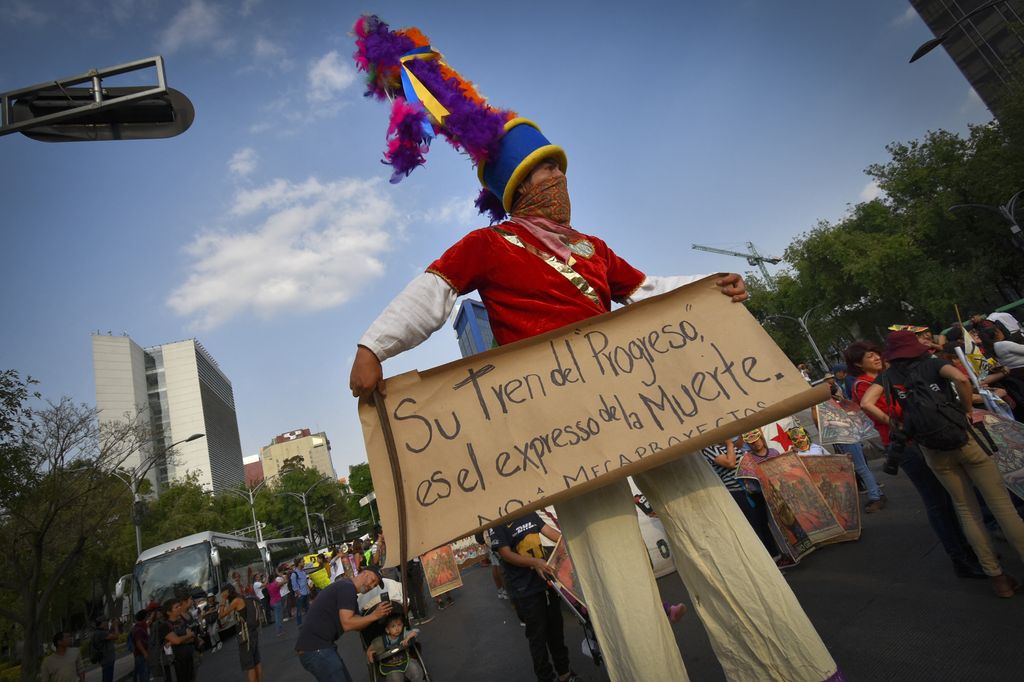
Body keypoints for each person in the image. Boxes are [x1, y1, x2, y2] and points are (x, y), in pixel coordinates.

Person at [350, 15, 840, 682]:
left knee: (708, 516)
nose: (557, 183)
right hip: (564, 428)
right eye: (541, 175)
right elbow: (435, 291)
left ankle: (787, 668)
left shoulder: (594, 249)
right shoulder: (487, 246)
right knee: (610, 560)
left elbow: (647, 291)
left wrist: (709, 285)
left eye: (559, 171)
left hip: (644, 404)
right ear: (515, 192)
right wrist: (375, 345)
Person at [860, 331, 1024, 598]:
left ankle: (998, 578)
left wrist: (898, 426)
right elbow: (960, 378)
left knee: (966, 511)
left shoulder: (888, 377)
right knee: (1003, 507)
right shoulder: (933, 363)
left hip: (931, 448)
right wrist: (966, 410)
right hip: (963, 438)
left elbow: (867, 402)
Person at [849, 340, 986, 580]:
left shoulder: (890, 375)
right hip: (905, 444)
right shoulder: (864, 385)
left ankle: (973, 551)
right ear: (857, 363)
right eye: (868, 356)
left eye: (876, 353)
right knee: (937, 501)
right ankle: (960, 558)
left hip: (923, 437)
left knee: (952, 496)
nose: (875, 358)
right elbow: (886, 409)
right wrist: (911, 413)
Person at [490, 511, 580, 682]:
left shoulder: (528, 513)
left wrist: (564, 543)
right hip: (524, 590)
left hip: (546, 583)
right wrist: (534, 562)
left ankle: (565, 674)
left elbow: (552, 534)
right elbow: (506, 554)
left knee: (556, 631)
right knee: (538, 638)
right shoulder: (497, 523)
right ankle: (545, 678)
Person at [294, 565, 392, 682]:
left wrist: (376, 615)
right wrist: (374, 615)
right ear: (365, 573)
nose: (371, 586)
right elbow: (347, 623)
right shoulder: (347, 588)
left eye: (375, 585)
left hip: (319, 648)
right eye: (372, 580)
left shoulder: (347, 588)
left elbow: (356, 625)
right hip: (317, 649)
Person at [220, 585, 263, 682]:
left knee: (250, 666)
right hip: (253, 632)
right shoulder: (241, 597)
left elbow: (221, 615)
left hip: (245, 636)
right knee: (257, 662)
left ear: (227, 592)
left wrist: (222, 601)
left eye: (223, 594)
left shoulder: (236, 601)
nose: (222, 595)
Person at [366, 612, 424, 682]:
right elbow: (371, 647)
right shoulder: (382, 640)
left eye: (399, 625)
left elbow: (416, 631)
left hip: (405, 661)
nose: (397, 629)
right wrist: (369, 652)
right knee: (395, 678)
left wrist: (407, 638)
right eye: (393, 626)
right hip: (390, 666)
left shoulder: (404, 634)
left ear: (402, 625)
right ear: (387, 630)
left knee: (415, 670)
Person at [130, 609, 150, 682]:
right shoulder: (138, 629)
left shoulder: (141, 626)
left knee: (141, 672)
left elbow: (148, 622)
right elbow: (138, 642)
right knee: (144, 673)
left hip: (140, 654)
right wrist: (145, 653)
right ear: (144, 617)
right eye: (147, 616)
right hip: (140, 654)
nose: (148, 618)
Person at [290, 558, 311, 625]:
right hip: (301, 595)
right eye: (303, 562)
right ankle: (300, 624)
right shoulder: (294, 574)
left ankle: (309, 622)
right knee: (299, 611)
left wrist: (308, 590)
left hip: (306, 593)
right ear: (299, 563)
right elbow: (294, 586)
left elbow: (305, 582)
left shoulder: (303, 571)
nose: (304, 563)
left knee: (308, 609)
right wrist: (299, 594)